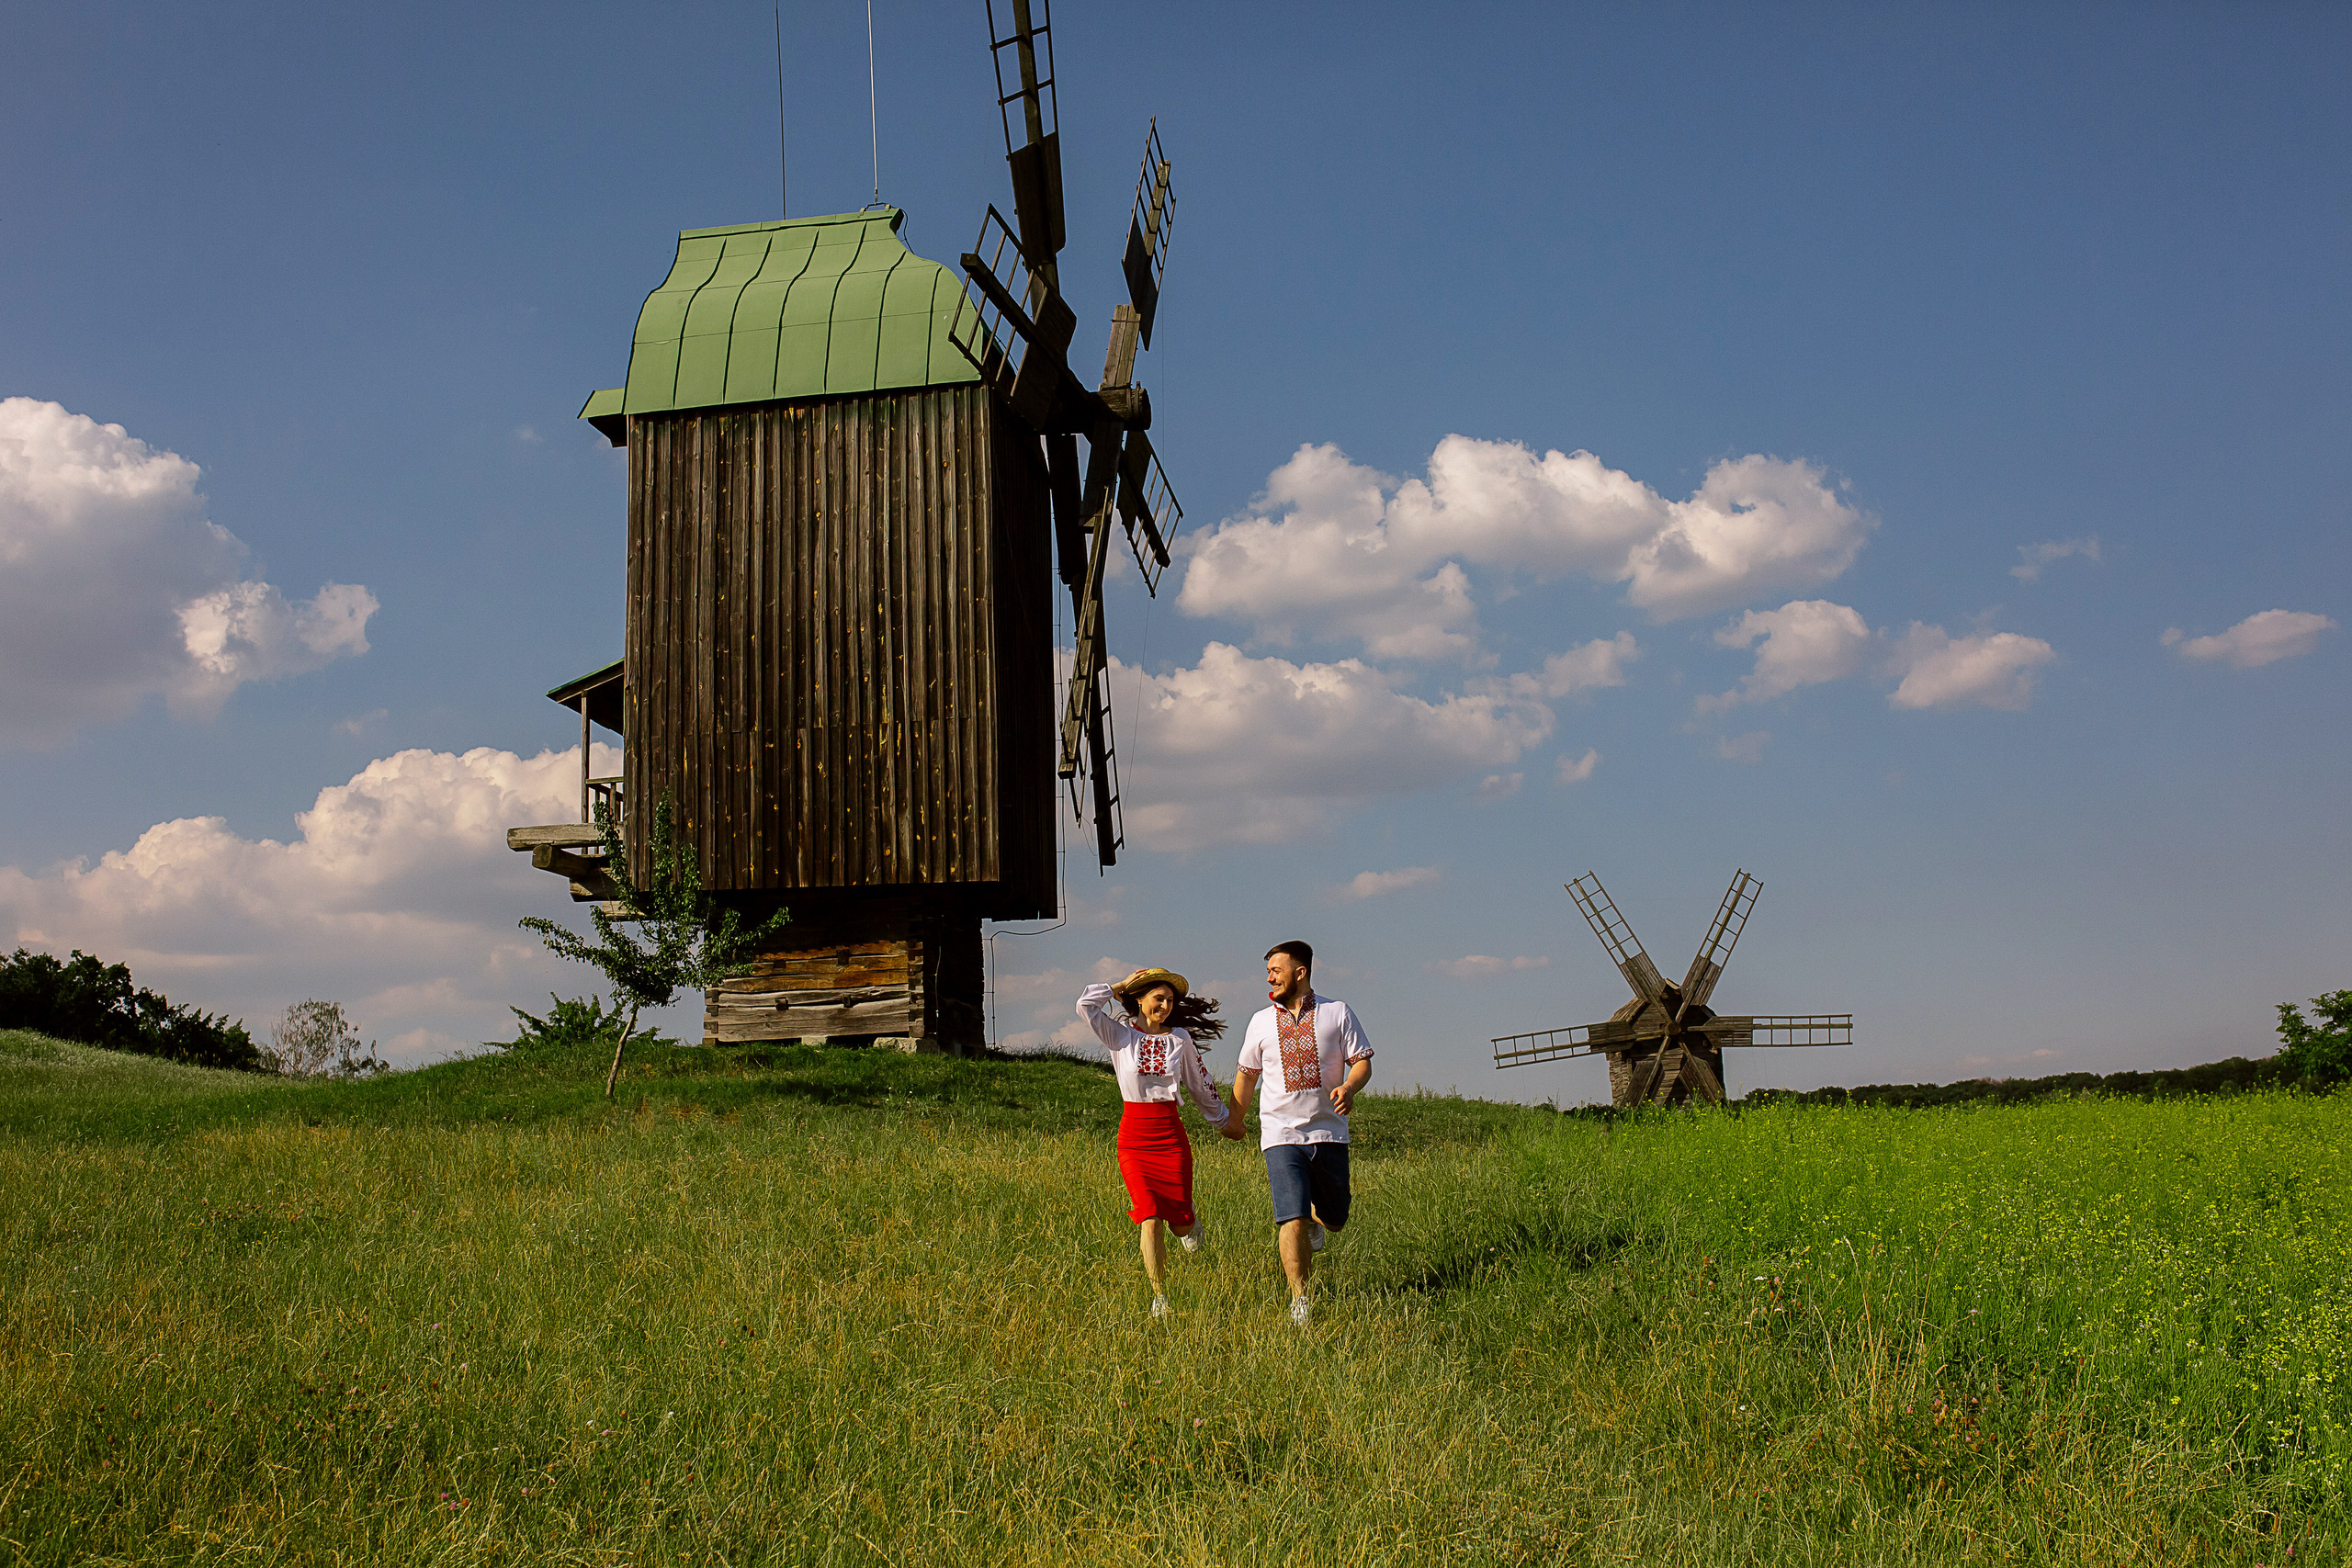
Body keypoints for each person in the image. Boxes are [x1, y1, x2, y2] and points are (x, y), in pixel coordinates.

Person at [1077, 967, 1245, 1318]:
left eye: (1170, 1000)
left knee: (1179, 1221)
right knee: (1149, 1215)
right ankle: (1160, 1298)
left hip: (1170, 1137)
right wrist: (1121, 985)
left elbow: (1201, 1084)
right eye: (1158, 998)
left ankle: (1190, 1222)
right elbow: (1086, 1006)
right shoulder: (1119, 1036)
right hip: (1134, 1139)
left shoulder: (1179, 1039)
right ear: (1140, 999)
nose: (1166, 1005)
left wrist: (1224, 1122)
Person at [1229, 940, 1372, 1326]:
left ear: (1300, 972)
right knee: (1289, 1216)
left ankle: (1316, 1217)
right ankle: (1300, 1302)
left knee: (1337, 1217)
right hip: (1279, 1134)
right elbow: (1246, 1075)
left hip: (1329, 1134)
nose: (1269, 977)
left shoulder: (1337, 1012)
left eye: (1276, 970)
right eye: (1269, 971)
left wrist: (1349, 1088)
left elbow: (1361, 1063)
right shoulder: (1259, 1021)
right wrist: (1235, 1118)